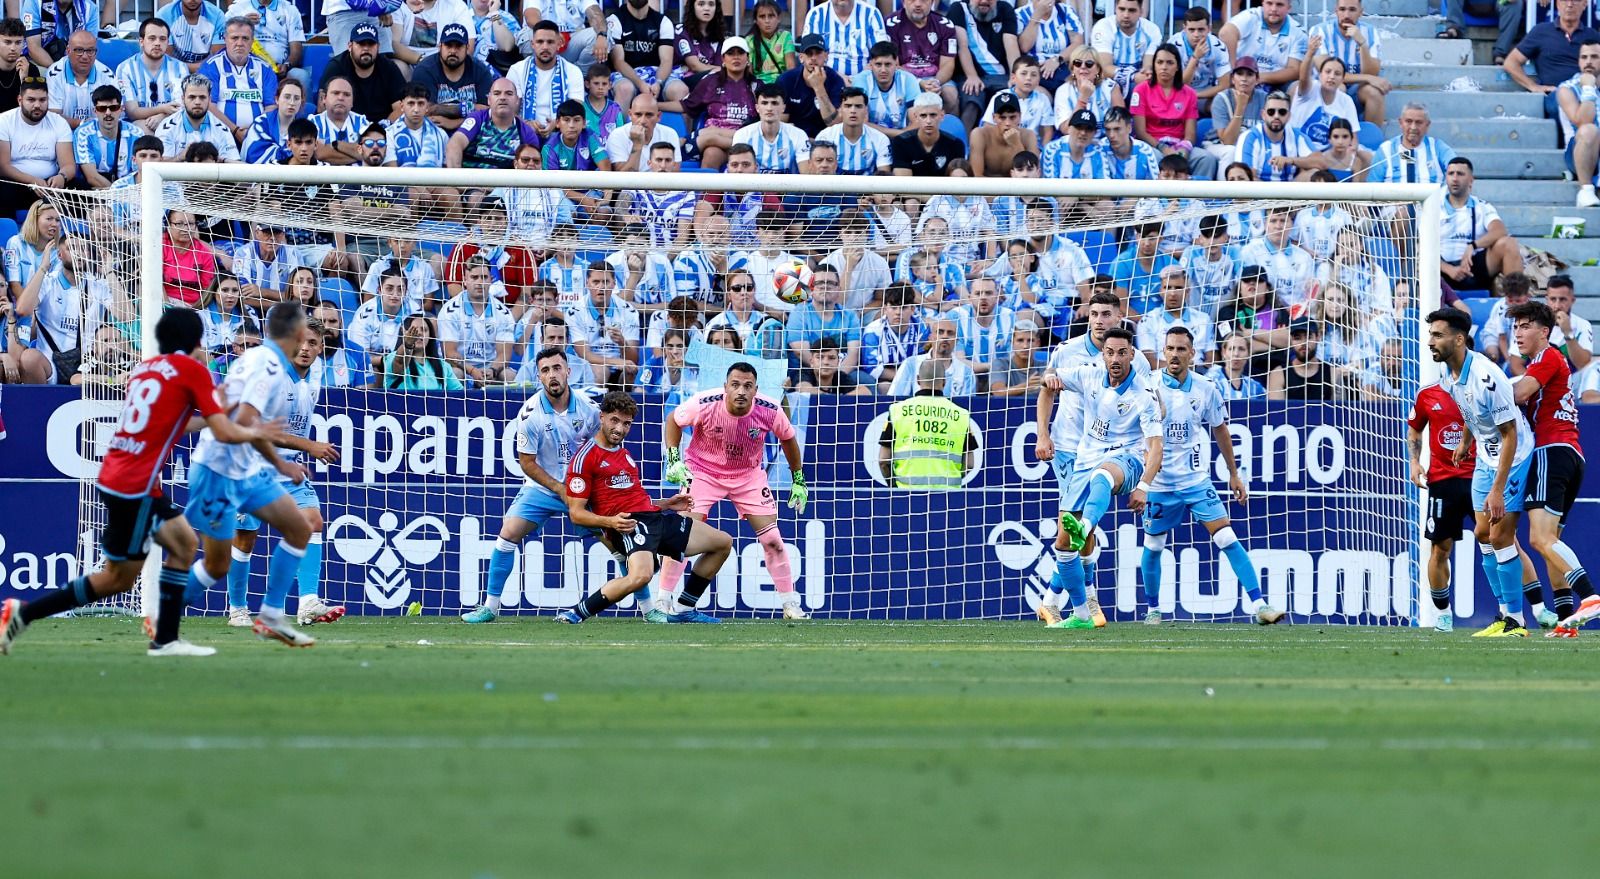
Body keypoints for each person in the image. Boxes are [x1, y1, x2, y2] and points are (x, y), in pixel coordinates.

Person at [0, 310, 281, 657]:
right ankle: (24, 614)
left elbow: (175, 424)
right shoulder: (192, 370)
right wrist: (255, 430)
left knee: (181, 544)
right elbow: (224, 430)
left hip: (123, 475)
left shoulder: (146, 370)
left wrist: (213, 418)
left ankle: (165, 638)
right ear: (196, 342)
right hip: (135, 485)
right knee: (118, 579)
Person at [462, 345, 648, 621]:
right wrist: (560, 489)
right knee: (508, 533)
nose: (553, 375)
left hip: (585, 489)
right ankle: (490, 607)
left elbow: (605, 447)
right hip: (545, 488)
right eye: (545, 370)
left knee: (618, 545)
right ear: (539, 377)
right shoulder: (530, 415)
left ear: (568, 371)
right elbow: (527, 464)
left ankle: (648, 609)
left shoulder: (589, 409)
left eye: (557, 368)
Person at [182, 302, 323, 647]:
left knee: (302, 525)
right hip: (225, 467)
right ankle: (164, 606)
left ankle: (273, 614)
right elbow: (246, 422)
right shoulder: (267, 366)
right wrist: (286, 458)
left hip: (242, 462)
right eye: (303, 335)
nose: (306, 344)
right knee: (216, 562)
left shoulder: (268, 361)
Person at [1141, 326, 1281, 626]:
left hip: (1194, 480)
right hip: (1159, 482)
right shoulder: (1148, 385)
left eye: (1181, 349)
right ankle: (1153, 609)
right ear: (1163, 352)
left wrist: (1233, 474)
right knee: (1153, 546)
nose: (1175, 354)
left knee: (1227, 536)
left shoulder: (1206, 388)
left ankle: (1260, 605)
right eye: (1170, 349)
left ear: (1193, 353)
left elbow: (1220, 430)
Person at [559, 390, 735, 623]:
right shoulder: (585, 458)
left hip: (654, 518)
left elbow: (633, 499)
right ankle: (576, 613)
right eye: (614, 420)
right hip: (630, 525)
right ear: (601, 417)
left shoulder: (624, 454)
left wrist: (666, 504)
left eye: (626, 423)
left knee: (723, 543)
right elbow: (576, 513)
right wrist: (611, 523)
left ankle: (684, 609)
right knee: (641, 576)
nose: (620, 429)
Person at [656, 361, 810, 617]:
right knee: (681, 537)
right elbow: (673, 420)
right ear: (725, 387)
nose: (741, 391)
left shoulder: (769, 409)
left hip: (747, 476)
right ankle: (663, 599)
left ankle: (790, 603)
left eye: (747, 386)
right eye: (735, 385)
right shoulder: (705, 402)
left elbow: (788, 438)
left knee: (773, 541)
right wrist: (674, 459)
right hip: (703, 472)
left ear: (755, 389)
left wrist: (799, 479)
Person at [225, 315, 345, 628]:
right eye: (300, 342)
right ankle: (237, 609)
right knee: (245, 539)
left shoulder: (314, 375)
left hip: (288, 466)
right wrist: (310, 446)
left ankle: (307, 603)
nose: (305, 349)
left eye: (313, 343)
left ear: (320, 349)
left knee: (312, 521)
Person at [1426, 307, 1537, 638]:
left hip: (1512, 457)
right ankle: (1505, 615)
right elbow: (1471, 413)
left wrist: (1498, 489)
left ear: (1459, 339)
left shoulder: (1486, 378)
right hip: (1487, 456)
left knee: (1501, 536)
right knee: (1482, 535)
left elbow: (1510, 434)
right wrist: (1464, 442)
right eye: (1431, 334)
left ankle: (1516, 619)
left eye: (1437, 335)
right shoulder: (1452, 375)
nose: (1430, 341)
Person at [1045, 326, 1162, 630]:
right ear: (1102, 354)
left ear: (1132, 354)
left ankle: (1084, 526)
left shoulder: (1143, 395)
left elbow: (1155, 448)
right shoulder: (1089, 374)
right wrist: (1049, 379)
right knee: (1062, 545)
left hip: (1128, 460)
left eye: (1122, 352)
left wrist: (1144, 486)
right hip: (1084, 461)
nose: (1115, 358)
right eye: (1110, 352)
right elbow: (1051, 378)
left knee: (1103, 474)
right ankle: (1082, 613)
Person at [1507, 301, 1599, 635]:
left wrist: (1485, 392)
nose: (1518, 333)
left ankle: (1590, 596)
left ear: (1544, 332)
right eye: (1515, 327)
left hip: (1552, 451)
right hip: (1570, 454)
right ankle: (1565, 619)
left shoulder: (1547, 357)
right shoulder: (1543, 363)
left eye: (1525, 326)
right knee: (1553, 542)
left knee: (1539, 538)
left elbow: (1518, 394)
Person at [660, 34, 756, 169]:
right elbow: (685, 105)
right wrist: (655, 105)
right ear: (723, 58)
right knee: (711, 153)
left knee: (711, 135)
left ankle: (682, 149)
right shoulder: (711, 81)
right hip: (714, 143)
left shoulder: (756, 86)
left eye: (740, 53)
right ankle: (704, 190)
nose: (736, 57)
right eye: (730, 53)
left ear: (747, 58)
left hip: (743, 140)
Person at [880, 356, 974, 488]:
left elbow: (883, 460)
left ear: (918, 380)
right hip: (947, 497)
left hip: (906, 494)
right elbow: (969, 464)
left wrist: (893, 486)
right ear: (944, 382)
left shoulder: (897, 410)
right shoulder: (961, 414)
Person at [1502, 0, 1600, 121]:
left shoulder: (1593, 35)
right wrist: (1533, 86)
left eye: (1575, 0)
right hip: (1556, 95)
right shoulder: (1541, 31)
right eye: (1564, 0)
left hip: (1586, 91)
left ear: (1584, 4)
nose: (1569, 5)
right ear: (1557, 4)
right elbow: (1511, 62)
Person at [1438, 157, 1522, 293]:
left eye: (1460, 174)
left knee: (1509, 243)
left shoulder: (1482, 206)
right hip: (1441, 270)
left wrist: (1473, 245)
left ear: (1471, 180)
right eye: (1451, 174)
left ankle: (1518, 306)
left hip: (1473, 268)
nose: (1454, 178)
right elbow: (1420, 247)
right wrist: (1449, 269)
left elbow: (1500, 231)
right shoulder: (1434, 206)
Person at [0, 75, 73, 216]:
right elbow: (3, 167)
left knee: (79, 189)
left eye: (42, 100)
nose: (37, 105)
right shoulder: (4, 121)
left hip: (51, 185)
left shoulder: (59, 122)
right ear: (20, 100)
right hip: (17, 183)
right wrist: (32, 181)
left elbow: (69, 165)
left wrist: (61, 177)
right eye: (31, 100)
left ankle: (72, 235)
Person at [1309, 0, 1389, 125]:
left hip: (1358, 90)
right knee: (1337, 87)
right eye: (1342, 9)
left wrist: (1362, 44)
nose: (1346, 15)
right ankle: (1332, 138)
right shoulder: (1320, 31)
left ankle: (1373, 141)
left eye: (1352, 10)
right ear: (1336, 11)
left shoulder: (1370, 32)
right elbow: (1327, 73)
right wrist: (1368, 78)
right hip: (1326, 89)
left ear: (1361, 12)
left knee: (1375, 92)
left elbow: (1372, 71)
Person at [948, 0, 1019, 130]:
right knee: (972, 101)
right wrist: (972, 75)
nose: (984, 1)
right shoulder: (959, 8)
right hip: (968, 74)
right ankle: (964, 145)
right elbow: (962, 46)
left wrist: (1015, 75)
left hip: (1000, 76)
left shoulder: (1005, 9)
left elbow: (1011, 44)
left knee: (1009, 100)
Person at [885, 0, 959, 113]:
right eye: (912, 0)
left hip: (935, 77)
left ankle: (946, 129)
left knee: (951, 95)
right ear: (904, 2)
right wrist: (918, 82)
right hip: (902, 77)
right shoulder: (891, 24)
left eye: (924, 0)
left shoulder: (945, 25)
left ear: (932, 2)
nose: (918, 4)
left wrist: (936, 83)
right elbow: (892, 64)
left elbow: (948, 63)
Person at [1289, 36, 1359, 154]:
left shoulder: (1346, 101)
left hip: (1328, 154)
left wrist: (1352, 149)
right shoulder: (1309, 89)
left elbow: (1353, 138)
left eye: (1337, 74)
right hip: (1297, 148)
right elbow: (1303, 76)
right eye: (1327, 72)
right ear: (1320, 75)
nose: (1331, 76)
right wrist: (1310, 53)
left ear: (1342, 79)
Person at [1218, 0, 1306, 91]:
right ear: (1262, 4)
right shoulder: (1252, 15)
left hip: (1276, 83)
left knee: (1297, 87)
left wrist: (1257, 78)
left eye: (1279, 5)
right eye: (1269, 3)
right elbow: (1226, 33)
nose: (1274, 9)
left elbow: (1294, 70)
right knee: (1221, 87)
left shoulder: (1298, 32)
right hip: (1242, 77)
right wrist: (1233, 71)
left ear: (1289, 8)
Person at [155, 72, 241, 160]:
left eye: (202, 97)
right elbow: (160, 166)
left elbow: (234, 165)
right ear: (183, 99)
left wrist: (220, 160)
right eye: (192, 97)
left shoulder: (222, 129)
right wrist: (180, 157)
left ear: (209, 99)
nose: (197, 102)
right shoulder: (167, 127)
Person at [1557, 39, 1600, 208]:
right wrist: (1588, 88)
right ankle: (1586, 191)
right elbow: (1583, 120)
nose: (1588, 61)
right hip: (1580, 152)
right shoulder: (1567, 88)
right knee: (1588, 130)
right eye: (1584, 57)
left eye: (1595, 57)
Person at [1369, 101, 1455, 184]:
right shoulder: (1385, 150)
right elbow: (1372, 186)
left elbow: (1457, 169)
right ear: (1401, 123)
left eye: (1419, 122)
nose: (1413, 127)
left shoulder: (1438, 148)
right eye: (1409, 121)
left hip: (1431, 198)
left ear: (1427, 125)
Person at [1089, 0, 1160, 98]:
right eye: (1122, 9)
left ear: (1141, 12)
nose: (1126, 15)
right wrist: (1132, 77)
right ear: (1115, 8)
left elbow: (1148, 65)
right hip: (1107, 81)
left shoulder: (1152, 29)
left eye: (1132, 10)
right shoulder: (1103, 27)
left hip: (1139, 82)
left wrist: (1145, 74)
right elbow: (1104, 68)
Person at [803, 0, 888, 80]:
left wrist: (858, 79)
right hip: (826, 80)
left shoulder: (871, 14)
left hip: (865, 80)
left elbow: (881, 54)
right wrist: (838, 78)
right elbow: (809, 57)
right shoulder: (815, 15)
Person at [970, 90, 1036, 177]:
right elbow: (977, 176)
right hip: (985, 189)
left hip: (1017, 189)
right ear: (994, 118)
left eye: (1012, 117)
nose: (1007, 123)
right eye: (1002, 118)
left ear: (1020, 117)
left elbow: (1032, 175)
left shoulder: (1028, 136)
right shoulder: (980, 135)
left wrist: (1017, 144)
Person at [520, 0, 607, 66]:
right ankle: (536, 73)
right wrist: (552, 32)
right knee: (530, 34)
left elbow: (596, 15)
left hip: (571, 42)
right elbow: (531, 17)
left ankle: (578, 77)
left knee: (601, 32)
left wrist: (601, 35)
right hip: (544, 39)